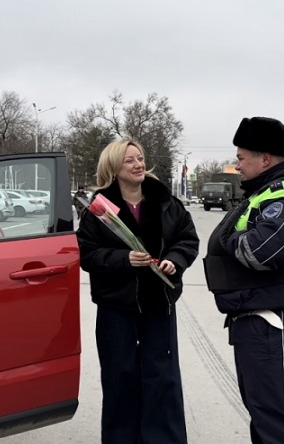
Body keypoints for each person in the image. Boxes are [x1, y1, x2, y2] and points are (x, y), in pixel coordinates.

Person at [203, 117, 284, 443]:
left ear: (265, 159)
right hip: (257, 322)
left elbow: (262, 251)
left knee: (280, 423)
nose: (237, 165)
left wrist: (227, 237)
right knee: (265, 418)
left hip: (276, 324)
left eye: (242, 158)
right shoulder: (264, 192)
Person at [76, 139, 199, 444]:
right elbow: (88, 254)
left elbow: (187, 240)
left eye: (140, 158)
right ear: (114, 168)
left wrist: (176, 259)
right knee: (120, 378)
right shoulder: (99, 209)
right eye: (129, 160)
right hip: (117, 308)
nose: (138, 164)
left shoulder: (167, 203)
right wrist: (123, 259)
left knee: (163, 378)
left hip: (159, 305)